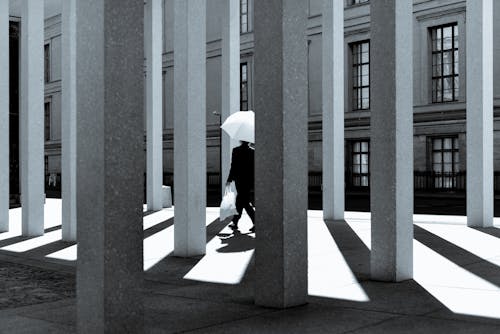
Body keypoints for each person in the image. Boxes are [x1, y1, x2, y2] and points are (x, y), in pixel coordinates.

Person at [226, 141, 255, 232]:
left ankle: (236, 222)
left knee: (243, 201)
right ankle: (235, 222)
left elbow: (233, 166)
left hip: (239, 180)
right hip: (249, 181)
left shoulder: (236, 150)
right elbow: (254, 167)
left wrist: (229, 179)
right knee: (242, 200)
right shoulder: (253, 152)